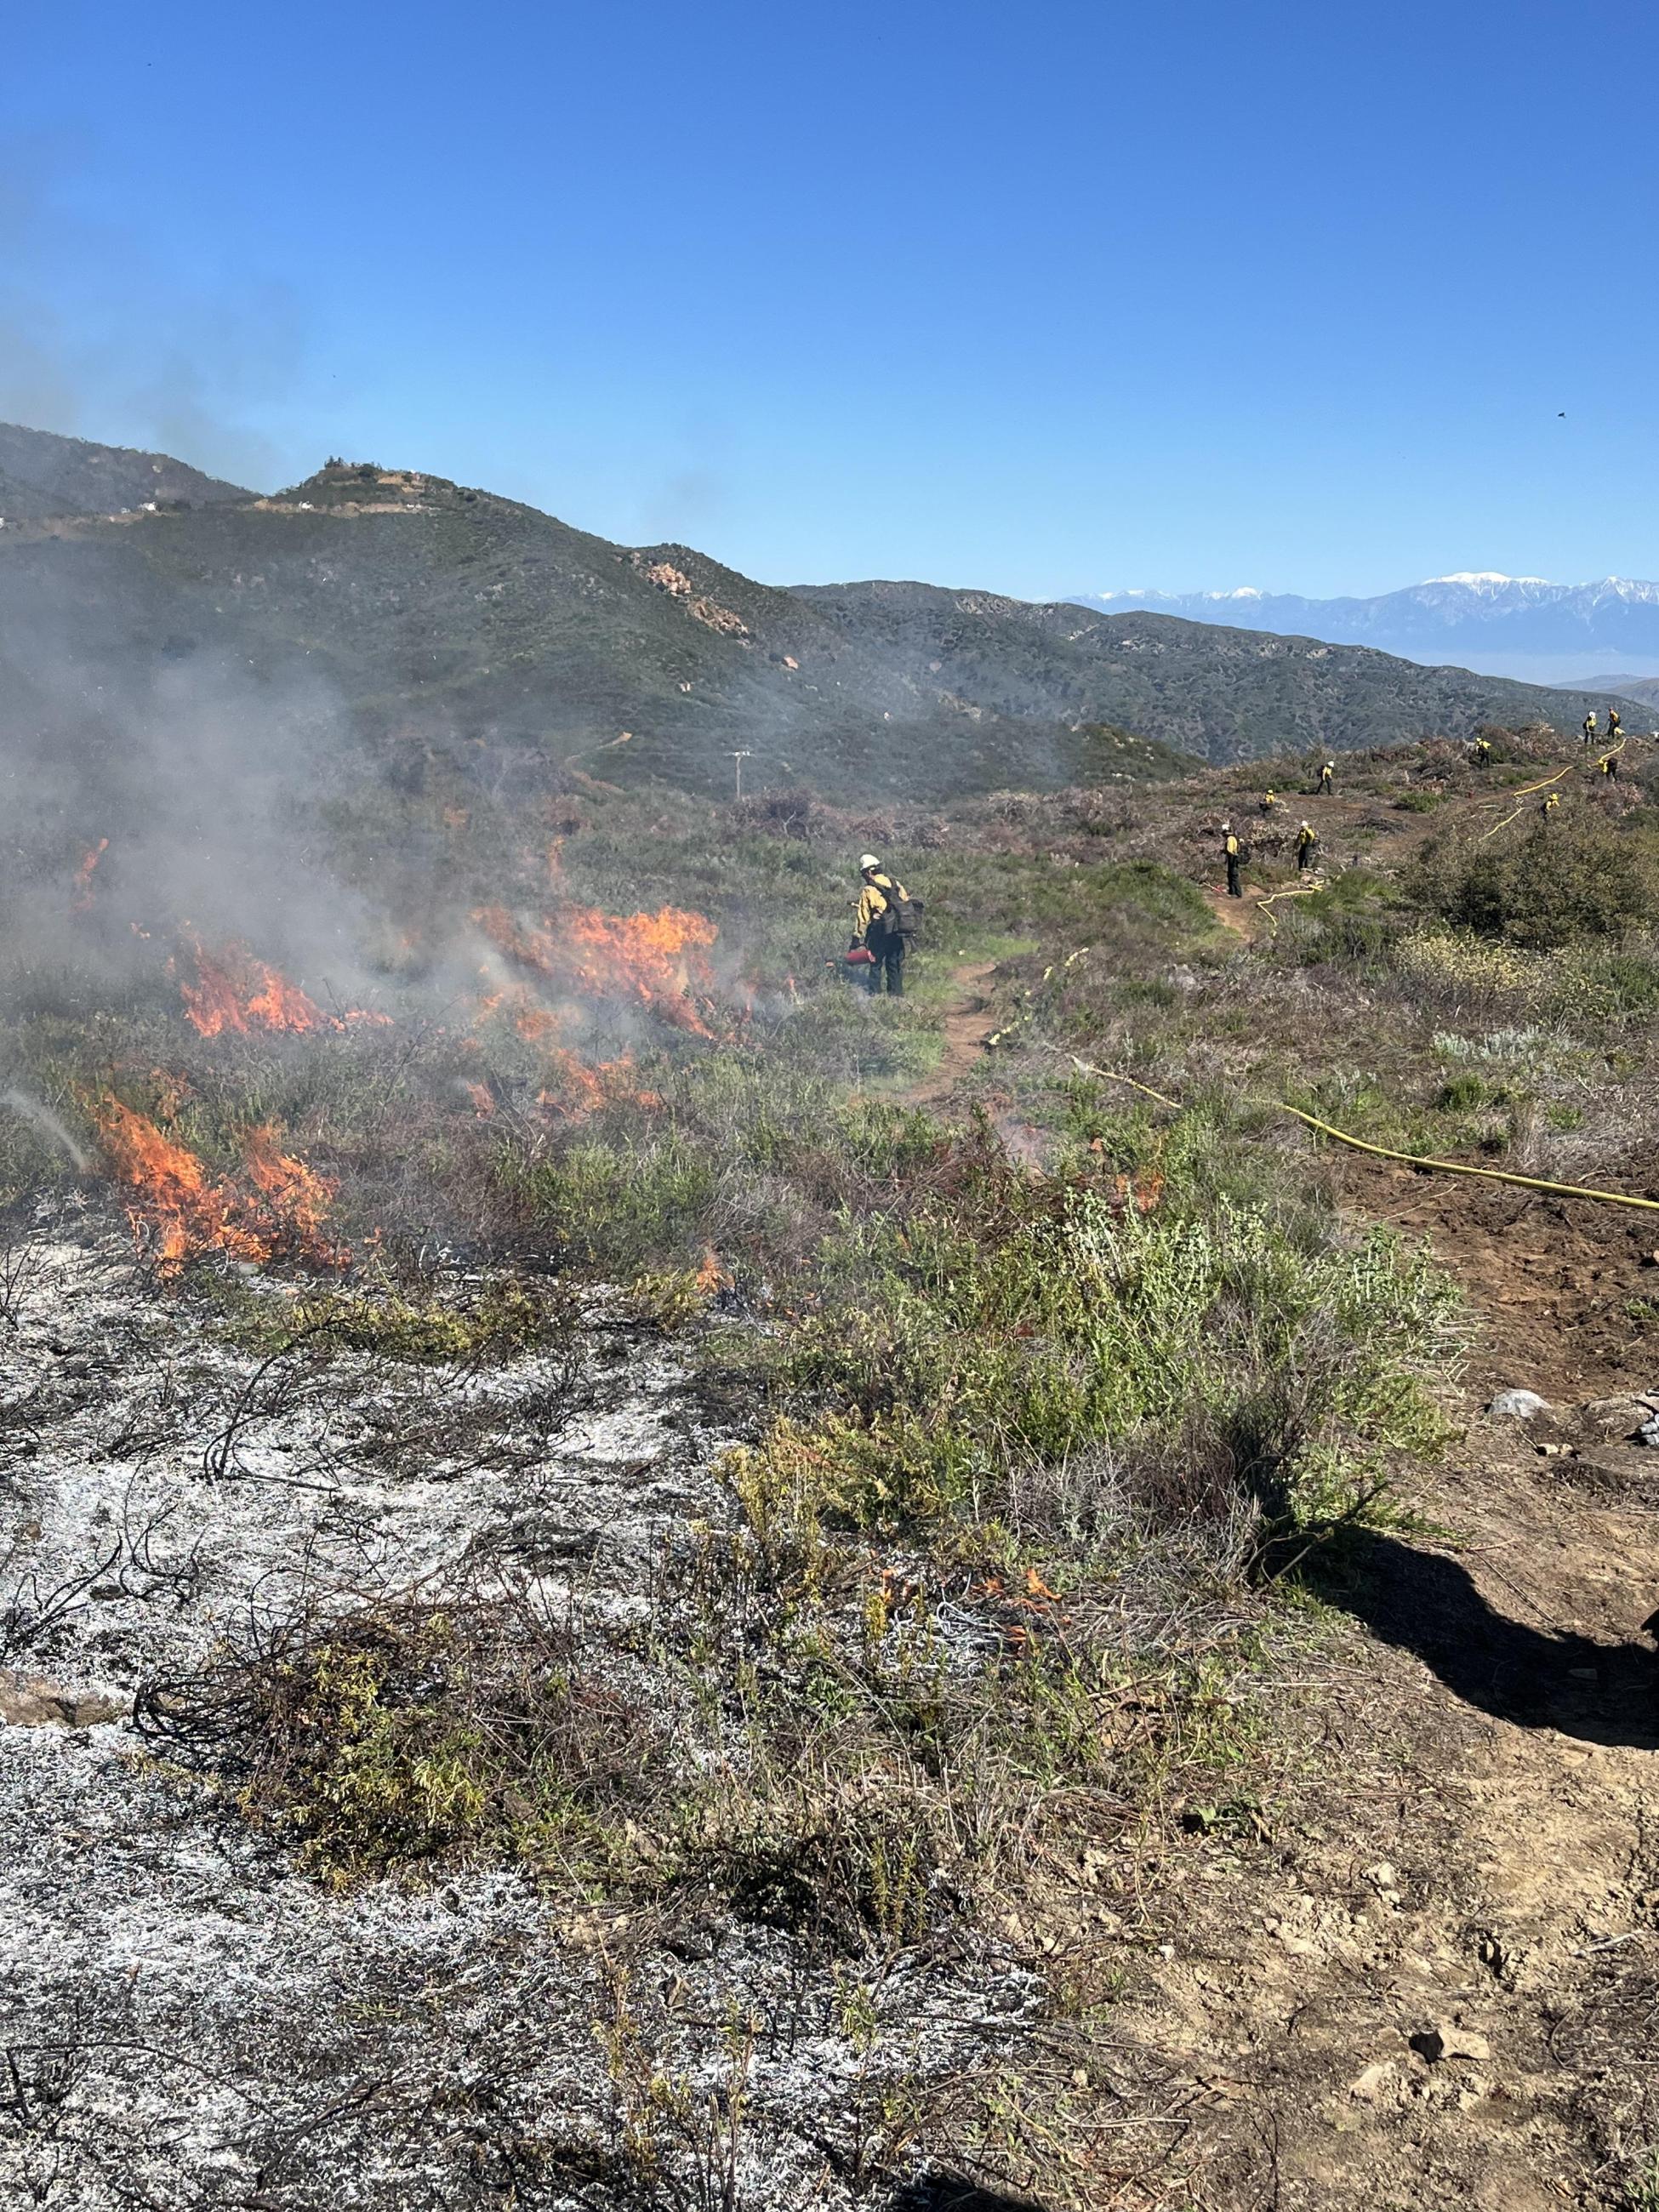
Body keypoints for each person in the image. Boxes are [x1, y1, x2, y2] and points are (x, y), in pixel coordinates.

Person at [852, 852, 909, 995]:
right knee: (894, 965)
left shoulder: (869, 890)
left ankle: (875, 999)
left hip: (879, 932)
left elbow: (863, 917)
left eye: (864, 874)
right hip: (897, 931)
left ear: (869, 872)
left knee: (875, 964)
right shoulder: (896, 883)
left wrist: (857, 936)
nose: (864, 877)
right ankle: (897, 999)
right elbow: (905, 904)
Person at [1223, 822, 1242, 898]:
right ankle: (1232, 891)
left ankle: (1237, 893)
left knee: (1234, 876)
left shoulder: (1230, 839)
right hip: (1234, 860)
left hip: (1233, 860)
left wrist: (1225, 852)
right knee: (1231, 875)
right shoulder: (1234, 838)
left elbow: (1230, 850)